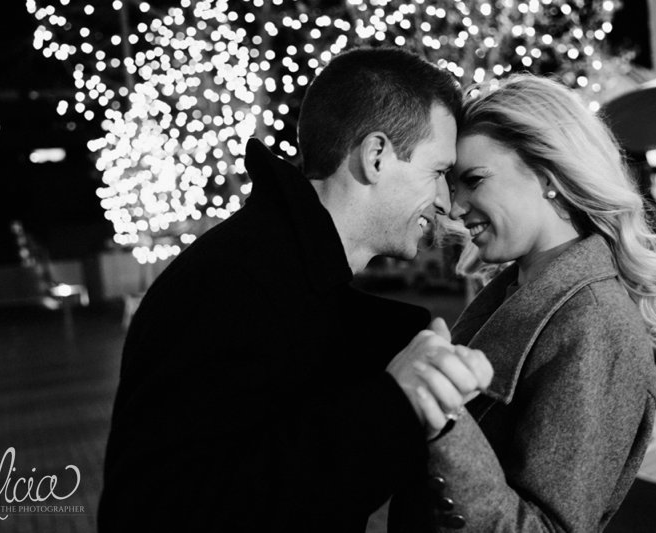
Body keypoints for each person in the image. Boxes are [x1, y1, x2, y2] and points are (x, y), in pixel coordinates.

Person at [98, 47, 493, 533]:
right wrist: (394, 402)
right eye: (437, 172)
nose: (444, 201)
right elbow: (159, 508)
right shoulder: (230, 283)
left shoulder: (286, 274)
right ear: (376, 156)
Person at [389, 74, 656, 532]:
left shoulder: (595, 323)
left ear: (548, 176)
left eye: (474, 179)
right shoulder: (518, 288)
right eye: (451, 182)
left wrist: (443, 420)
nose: (453, 205)